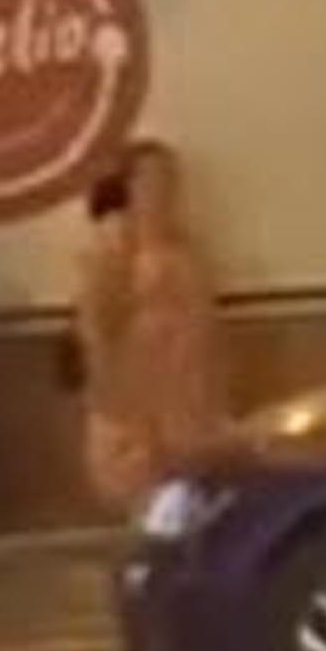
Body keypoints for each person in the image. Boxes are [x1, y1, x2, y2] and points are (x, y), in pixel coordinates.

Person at [75, 139, 225, 514]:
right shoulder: (112, 249)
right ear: (128, 187)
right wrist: (124, 412)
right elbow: (96, 331)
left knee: (195, 504)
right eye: (151, 179)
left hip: (190, 399)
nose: (163, 189)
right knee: (154, 508)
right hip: (137, 404)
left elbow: (207, 324)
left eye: (169, 179)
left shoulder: (189, 247)